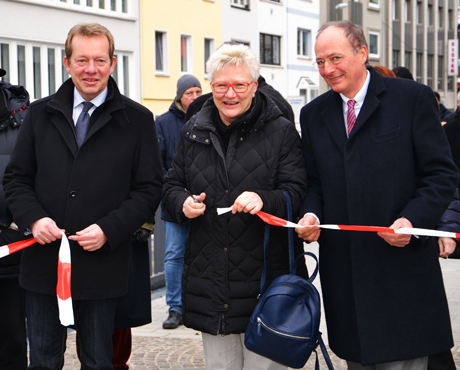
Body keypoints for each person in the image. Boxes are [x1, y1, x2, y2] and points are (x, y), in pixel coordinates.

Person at [296, 20, 458, 369]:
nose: (328, 69)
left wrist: (412, 220)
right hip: (347, 279)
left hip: (402, 274)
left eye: (335, 58)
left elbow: (441, 174)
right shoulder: (313, 114)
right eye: (320, 61)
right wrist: (312, 215)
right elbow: (315, 184)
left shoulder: (411, 98)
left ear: (363, 53)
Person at [2, 23, 163, 370]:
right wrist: (33, 218)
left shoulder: (137, 120)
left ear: (113, 63)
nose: (91, 69)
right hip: (44, 262)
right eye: (82, 60)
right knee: (43, 360)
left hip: (101, 264)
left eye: (100, 60)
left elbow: (149, 189)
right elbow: (16, 178)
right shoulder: (39, 115)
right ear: (67, 62)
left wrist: (109, 228)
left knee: (98, 360)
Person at [162, 43, 308, 370]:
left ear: (254, 86)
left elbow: (297, 191)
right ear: (211, 85)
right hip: (211, 281)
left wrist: (264, 199)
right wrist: (182, 204)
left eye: (240, 85)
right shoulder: (194, 129)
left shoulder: (281, 130)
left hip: (265, 283)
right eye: (221, 85)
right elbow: (171, 185)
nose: (230, 94)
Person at [156, 74, 202, 329]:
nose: (194, 97)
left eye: (198, 91)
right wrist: (177, 193)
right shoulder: (162, 123)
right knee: (174, 255)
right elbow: (157, 165)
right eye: (189, 93)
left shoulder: (209, 119)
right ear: (179, 97)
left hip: (204, 201)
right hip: (174, 201)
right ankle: (175, 308)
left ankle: (197, 305)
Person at [0, 67, 29, 370]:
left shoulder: (23, 118)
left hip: (11, 249)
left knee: (12, 340)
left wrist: (19, 221)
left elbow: (35, 177)